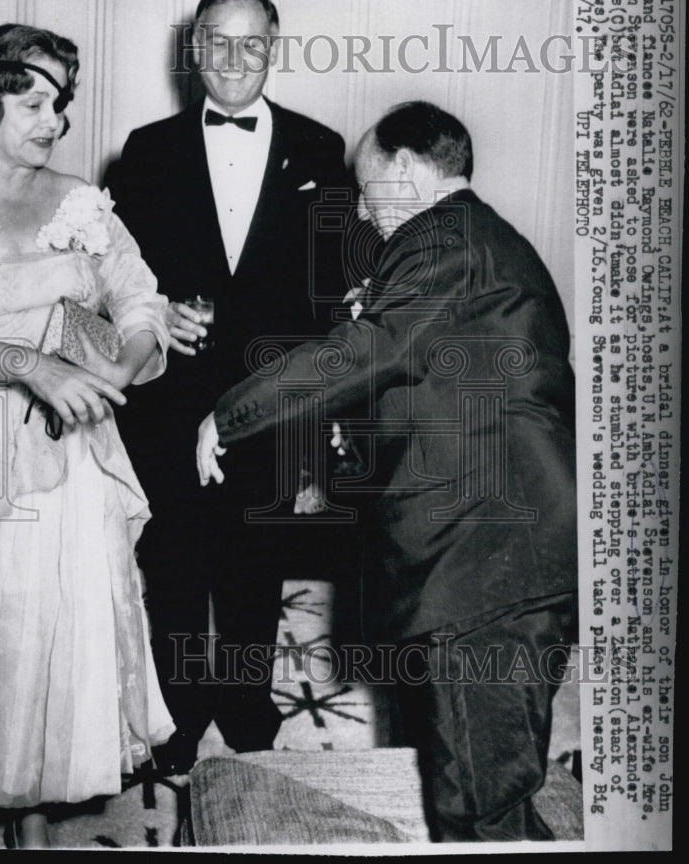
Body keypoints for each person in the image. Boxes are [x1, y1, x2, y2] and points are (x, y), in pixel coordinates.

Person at [197, 100, 578, 842]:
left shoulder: (448, 239)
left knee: (477, 803)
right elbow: (424, 375)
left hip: (485, 560)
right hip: (491, 556)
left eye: (369, 194)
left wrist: (229, 414)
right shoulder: (473, 244)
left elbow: (372, 352)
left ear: (406, 169)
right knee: (484, 780)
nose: (367, 217)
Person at [0, 24, 174, 849]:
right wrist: (29, 365)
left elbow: (140, 303)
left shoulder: (81, 200)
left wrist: (110, 376)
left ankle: (35, 811)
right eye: (35, 102)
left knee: (44, 625)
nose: (56, 121)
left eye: (63, 103)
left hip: (65, 452)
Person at [107, 0, 353, 775]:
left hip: (275, 396)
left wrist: (318, 421)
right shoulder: (146, 150)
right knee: (173, 558)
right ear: (195, 50)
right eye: (218, 42)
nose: (234, 60)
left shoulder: (321, 148)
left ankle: (248, 702)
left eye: (252, 44)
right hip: (172, 394)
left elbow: (329, 296)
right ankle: (177, 710)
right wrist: (158, 313)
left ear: (274, 47)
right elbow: (116, 281)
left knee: (256, 561)